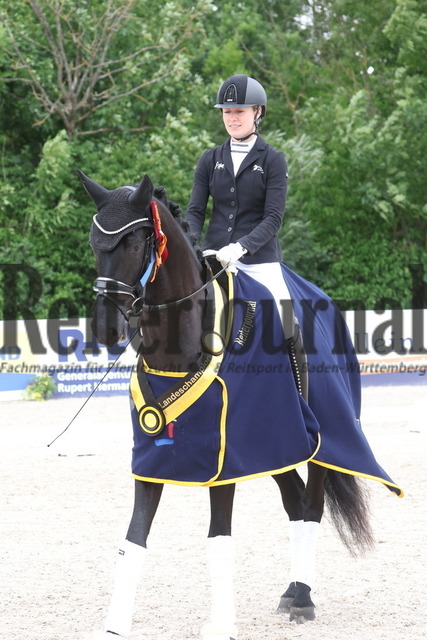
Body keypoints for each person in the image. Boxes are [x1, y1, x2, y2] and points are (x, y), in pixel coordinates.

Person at [185, 74, 303, 364]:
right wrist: (191, 246)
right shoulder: (210, 159)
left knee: (288, 319)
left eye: (239, 111)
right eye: (227, 111)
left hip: (259, 261)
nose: (232, 118)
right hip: (213, 256)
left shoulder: (272, 160)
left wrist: (241, 247)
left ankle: (300, 385)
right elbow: (195, 212)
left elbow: (273, 218)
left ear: (257, 112)